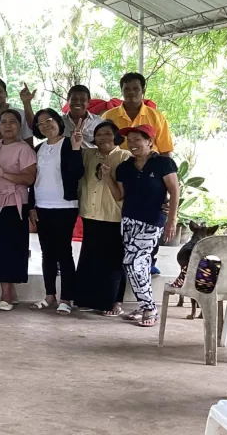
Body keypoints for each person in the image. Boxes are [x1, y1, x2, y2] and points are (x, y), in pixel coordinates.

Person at [103, 124, 179, 328]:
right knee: (140, 266)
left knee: (133, 264)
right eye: (130, 140)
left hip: (151, 222)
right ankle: (144, 304)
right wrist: (107, 176)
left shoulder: (163, 163)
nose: (133, 143)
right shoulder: (124, 167)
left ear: (150, 142)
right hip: (128, 221)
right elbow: (119, 195)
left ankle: (149, 307)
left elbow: (174, 191)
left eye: (138, 139)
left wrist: (172, 219)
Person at [71, 121, 131, 316]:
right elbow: (74, 164)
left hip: (114, 216)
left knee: (114, 261)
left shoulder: (125, 157)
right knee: (90, 259)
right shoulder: (88, 155)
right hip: (91, 214)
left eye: (107, 134)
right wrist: (76, 142)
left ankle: (115, 301)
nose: (103, 138)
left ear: (115, 137)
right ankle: (88, 299)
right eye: (98, 135)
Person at [29, 109, 83, 315]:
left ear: (58, 121)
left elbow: (78, 173)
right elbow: (34, 180)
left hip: (64, 207)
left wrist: (77, 148)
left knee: (64, 253)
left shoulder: (70, 143)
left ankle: (66, 298)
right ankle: (49, 295)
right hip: (42, 206)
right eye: (40, 124)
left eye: (48, 121)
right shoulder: (39, 148)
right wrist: (32, 206)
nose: (45, 126)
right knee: (47, 253)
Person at [0, 110, 37, 311]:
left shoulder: (24, 149)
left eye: (12, 122)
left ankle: (6, 294)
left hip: (14, 205)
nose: (7, 126)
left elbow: (29, 178)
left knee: (11, 250)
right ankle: (10, 293)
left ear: (19, 125)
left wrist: (6, 175)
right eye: (3, 122)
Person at [103, 73, 173, 156]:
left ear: (143, 91)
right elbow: (100, 146)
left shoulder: (157, 117)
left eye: (136, 89)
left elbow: (165, 150)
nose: (131, 92)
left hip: (151, 166)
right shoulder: (108, 116)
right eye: (127, 89)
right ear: (121, 91)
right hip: (118, 166)